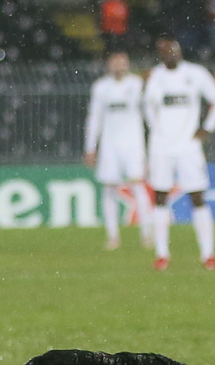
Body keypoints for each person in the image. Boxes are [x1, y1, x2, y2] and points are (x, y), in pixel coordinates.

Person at [143, 34, 215, 271]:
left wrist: (207, 128)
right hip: (161, 146)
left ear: (179, 50)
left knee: (198, 197)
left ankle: (208, 254)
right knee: (160, 197)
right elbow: (148, 108)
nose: (168, 53)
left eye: (171, 49)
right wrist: (158, 134)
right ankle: (161, 255)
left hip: (188, 147)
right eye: (163, 50)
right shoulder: (154, 77)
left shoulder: (196, 73)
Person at [84, 51, 153, 251]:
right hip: (109, 145)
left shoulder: (137, 85)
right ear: (109, 65)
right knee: (109, 188)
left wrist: (153, 142)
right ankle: (113, 236)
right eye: (115, 63)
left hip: (133, 144)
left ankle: (146, 234)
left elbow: (148, 114)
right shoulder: (100, 87)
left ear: (128, 64)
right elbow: (94, 118)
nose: (119, 66)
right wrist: (90, 147)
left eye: (122, 62)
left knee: (138, 186)